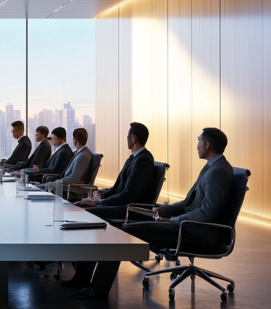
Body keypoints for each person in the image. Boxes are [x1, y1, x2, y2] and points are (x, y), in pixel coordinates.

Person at [72, 127, 234, 300]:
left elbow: (207, 213)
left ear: (207, 144)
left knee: (120, 233)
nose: (197, 145)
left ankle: (97, 290)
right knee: (119, 229)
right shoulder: (213, 167)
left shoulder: (218, 172)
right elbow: (188, 202)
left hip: (196, 232)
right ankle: (92, 284)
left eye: (199, 140)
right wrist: (162, 210)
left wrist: (172, 220)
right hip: (188, 226)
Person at [63, 122, 155, 288]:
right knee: (83, 209)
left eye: (128, 136)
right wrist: (101, 194)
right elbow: (118, 187)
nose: (127, 139)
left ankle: (87, 278)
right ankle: (82, 275)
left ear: (133, 138)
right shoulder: (134, 158)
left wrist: (101, 202)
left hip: (131, 210)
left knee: (88, 215)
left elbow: (129, 194)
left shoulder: (143, 160)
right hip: (123, 205)